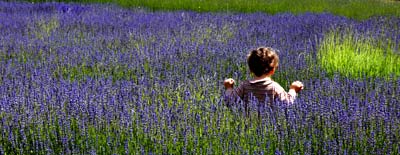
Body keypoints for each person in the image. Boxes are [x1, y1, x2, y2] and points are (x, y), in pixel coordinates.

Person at [223, 47, 304, 108]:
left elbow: (230, 101)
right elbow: (287, 103)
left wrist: (229, 88)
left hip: (248, 127)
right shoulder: (274, 87)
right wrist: (293, 90)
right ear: (272, 70)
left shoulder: (244, 86)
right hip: (270, 127)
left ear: (250, 70)